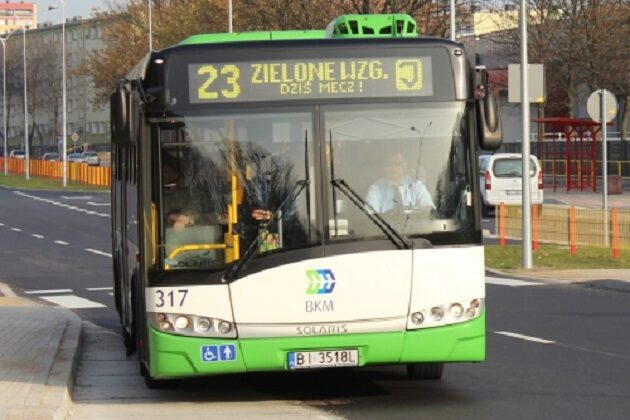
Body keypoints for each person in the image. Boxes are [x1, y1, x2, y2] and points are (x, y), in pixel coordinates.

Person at [365, 151, 434, 213]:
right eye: (389, 164)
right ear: (384, 167)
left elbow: (429, 209)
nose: (393, 168)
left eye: (397, 164)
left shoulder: (416, 185)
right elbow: (370, 216)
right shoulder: (375, 189)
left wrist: (426, 209)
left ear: (405, 165)